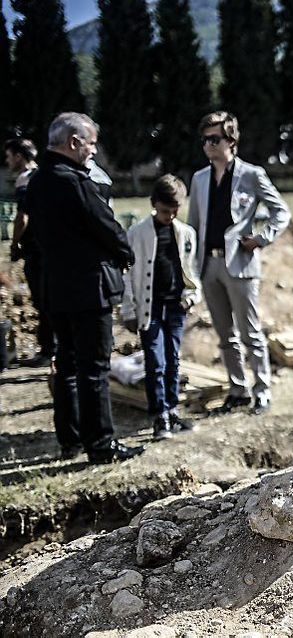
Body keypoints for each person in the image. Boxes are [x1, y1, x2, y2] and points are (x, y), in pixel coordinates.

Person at [26, 113, 144, 463]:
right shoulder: (75, 182)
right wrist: (125, 253)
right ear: (74, 143)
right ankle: (102, 445)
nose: (93, 151)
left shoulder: (37, 181)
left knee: (65, 363)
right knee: (94, 368)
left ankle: (70, 439)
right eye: (91, 144)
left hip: (55, 288)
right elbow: (107, 227)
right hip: (89, 288)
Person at [188, 112, 290, 416]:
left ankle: (262, 391)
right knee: (225, 336)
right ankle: (237, 389)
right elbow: (194, 226)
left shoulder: (251, 174)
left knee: (251, 333)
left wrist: (261, 238)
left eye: (215, 139)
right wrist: (193, 269)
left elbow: (281, 212)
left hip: (242, 265)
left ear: (231, 140)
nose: (208, 145)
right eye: (205, 139)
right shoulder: (199, 178)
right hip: (209, 266)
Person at [122, 175, 202, 440]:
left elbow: (191, 271)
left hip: (175, 307)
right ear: (154, 204)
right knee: (155, 361)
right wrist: (129, 311)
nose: (170, 216)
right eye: (166, 210)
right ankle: (159, 415)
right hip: (150, 309)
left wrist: (191, 296)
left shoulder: (185, 233)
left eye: (175, 211)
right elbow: (129, 274)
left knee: (173, 361)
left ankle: (172, 409)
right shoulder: (137, 234)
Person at [6, 138, 52, 367]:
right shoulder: (45, 175)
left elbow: (22, 217)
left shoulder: (25, 180)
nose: (7, 161)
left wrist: (14, 245)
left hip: (35, 249)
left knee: (42, 300)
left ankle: (47, 350)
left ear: (19, 157)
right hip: (51, 247)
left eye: (9, 156)